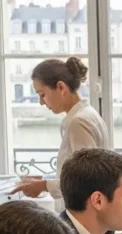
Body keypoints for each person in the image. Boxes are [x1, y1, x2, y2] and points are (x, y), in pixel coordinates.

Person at [12, 57, 109, 204]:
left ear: (61, 87)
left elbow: (85, 181)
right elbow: (77, 174)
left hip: (83, 212)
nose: (41, 102)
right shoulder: (86, 114)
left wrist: (44, 185)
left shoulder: (79, 122)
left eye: (42, 95)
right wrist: (45, 180)